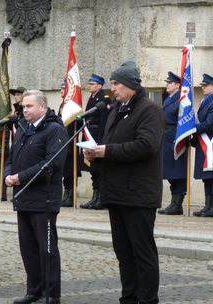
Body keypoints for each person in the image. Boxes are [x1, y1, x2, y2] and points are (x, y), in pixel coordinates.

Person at [83, 61, 164, 304]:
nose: (113, 89)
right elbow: (112, 146)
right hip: (117, 193)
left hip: (138, 194)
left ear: (131, 84)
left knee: (143, 253)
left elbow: (146, 146)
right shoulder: (116, 110)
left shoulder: (149, 110)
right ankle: (129, 298)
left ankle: (148, 300)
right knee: (124, 254)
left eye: (117, 84)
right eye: (112, 84)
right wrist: (94, 155)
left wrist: (106, 151)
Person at [4, 90, 68, 304]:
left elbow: (52, 164)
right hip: (23, 198)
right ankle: (34, 291)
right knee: (28, 249)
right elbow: (11, 157)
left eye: (29, 106)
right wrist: (7, 175)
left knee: (46, 249)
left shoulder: (54, 129)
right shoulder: (22, 127)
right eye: (23, 107)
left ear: (43, 107)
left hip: (44, 199)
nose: (25, 110)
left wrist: (19, 177)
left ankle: (51, 294)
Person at [192, 74, 213, 217]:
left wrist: (193, 129)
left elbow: (210, 124)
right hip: (204, 143)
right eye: (203, 85)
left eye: (206, 85)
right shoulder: (205, 101)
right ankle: (207, 206)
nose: (203, 87)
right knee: (207, 177)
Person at [79, 74, 112, 210]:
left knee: (98, 171)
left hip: (96, 137)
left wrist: (100, 141)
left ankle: (101, 199)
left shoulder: (104, 99)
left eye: (93, 84)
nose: (89, 86)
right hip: (89, 135)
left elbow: (104, 123)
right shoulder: (91, 99)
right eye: (89, 83)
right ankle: (95, 197)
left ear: (100, 86)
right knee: (93, 171)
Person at [159, 72, 188, 215]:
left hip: (176, 138)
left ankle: (178, 204)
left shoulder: (181, 100)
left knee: (178, 172)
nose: (167, 84)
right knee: (171, 172)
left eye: (170, 82)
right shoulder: (168, 99)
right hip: (167, 137)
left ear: (178, 85)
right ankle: (173, 203)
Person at [58, 80, 81, 208]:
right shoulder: (63, 105)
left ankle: (71, 196)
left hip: (70, 143)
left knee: (70, 171)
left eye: (63, 89)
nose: (61, 91)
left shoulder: (72, 107)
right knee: (64, 171)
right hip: (62, 143)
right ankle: (66, 195)